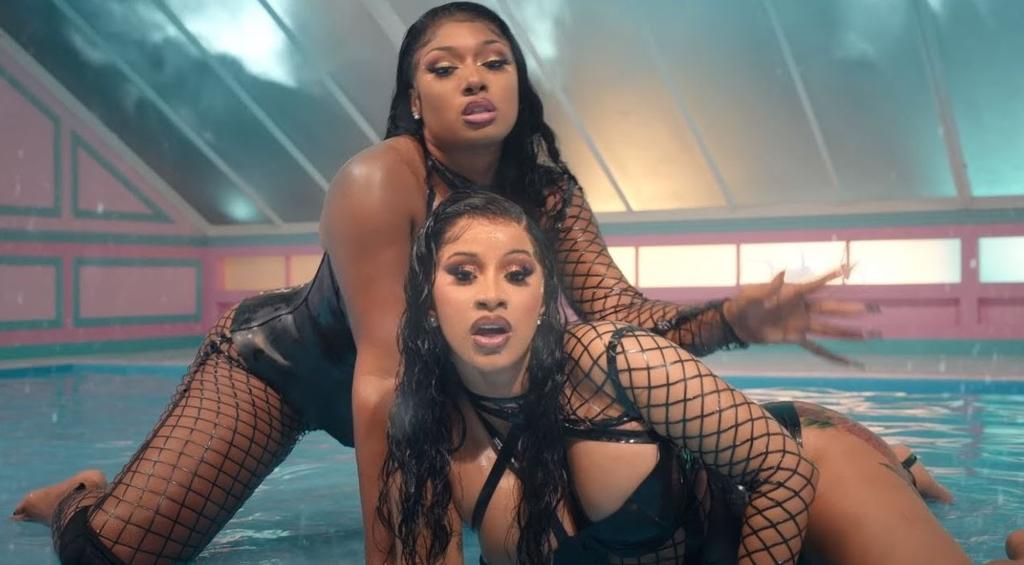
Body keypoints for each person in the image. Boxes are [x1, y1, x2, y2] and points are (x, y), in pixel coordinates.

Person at [13, 3, 872, 563]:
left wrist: (734, 318)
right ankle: (79, 496)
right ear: (415, 98)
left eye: (494, 62)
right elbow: (381, 378)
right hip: (288, 369)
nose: (473, 78)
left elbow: (624, 322)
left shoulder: (548, 193)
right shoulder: (379, 181)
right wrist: (393, 551)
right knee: (112, 556)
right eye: (444, 66)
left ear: (518, 86)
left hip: (425, 389)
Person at [378, 189, 1020, 565]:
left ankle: (890, 465)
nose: (492, 293)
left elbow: (784, 471)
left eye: (517, 273)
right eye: (463, 273)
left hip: (811, 472)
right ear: (428, 302)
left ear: (544, 299)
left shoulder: (607, 358)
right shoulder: (428, 430)